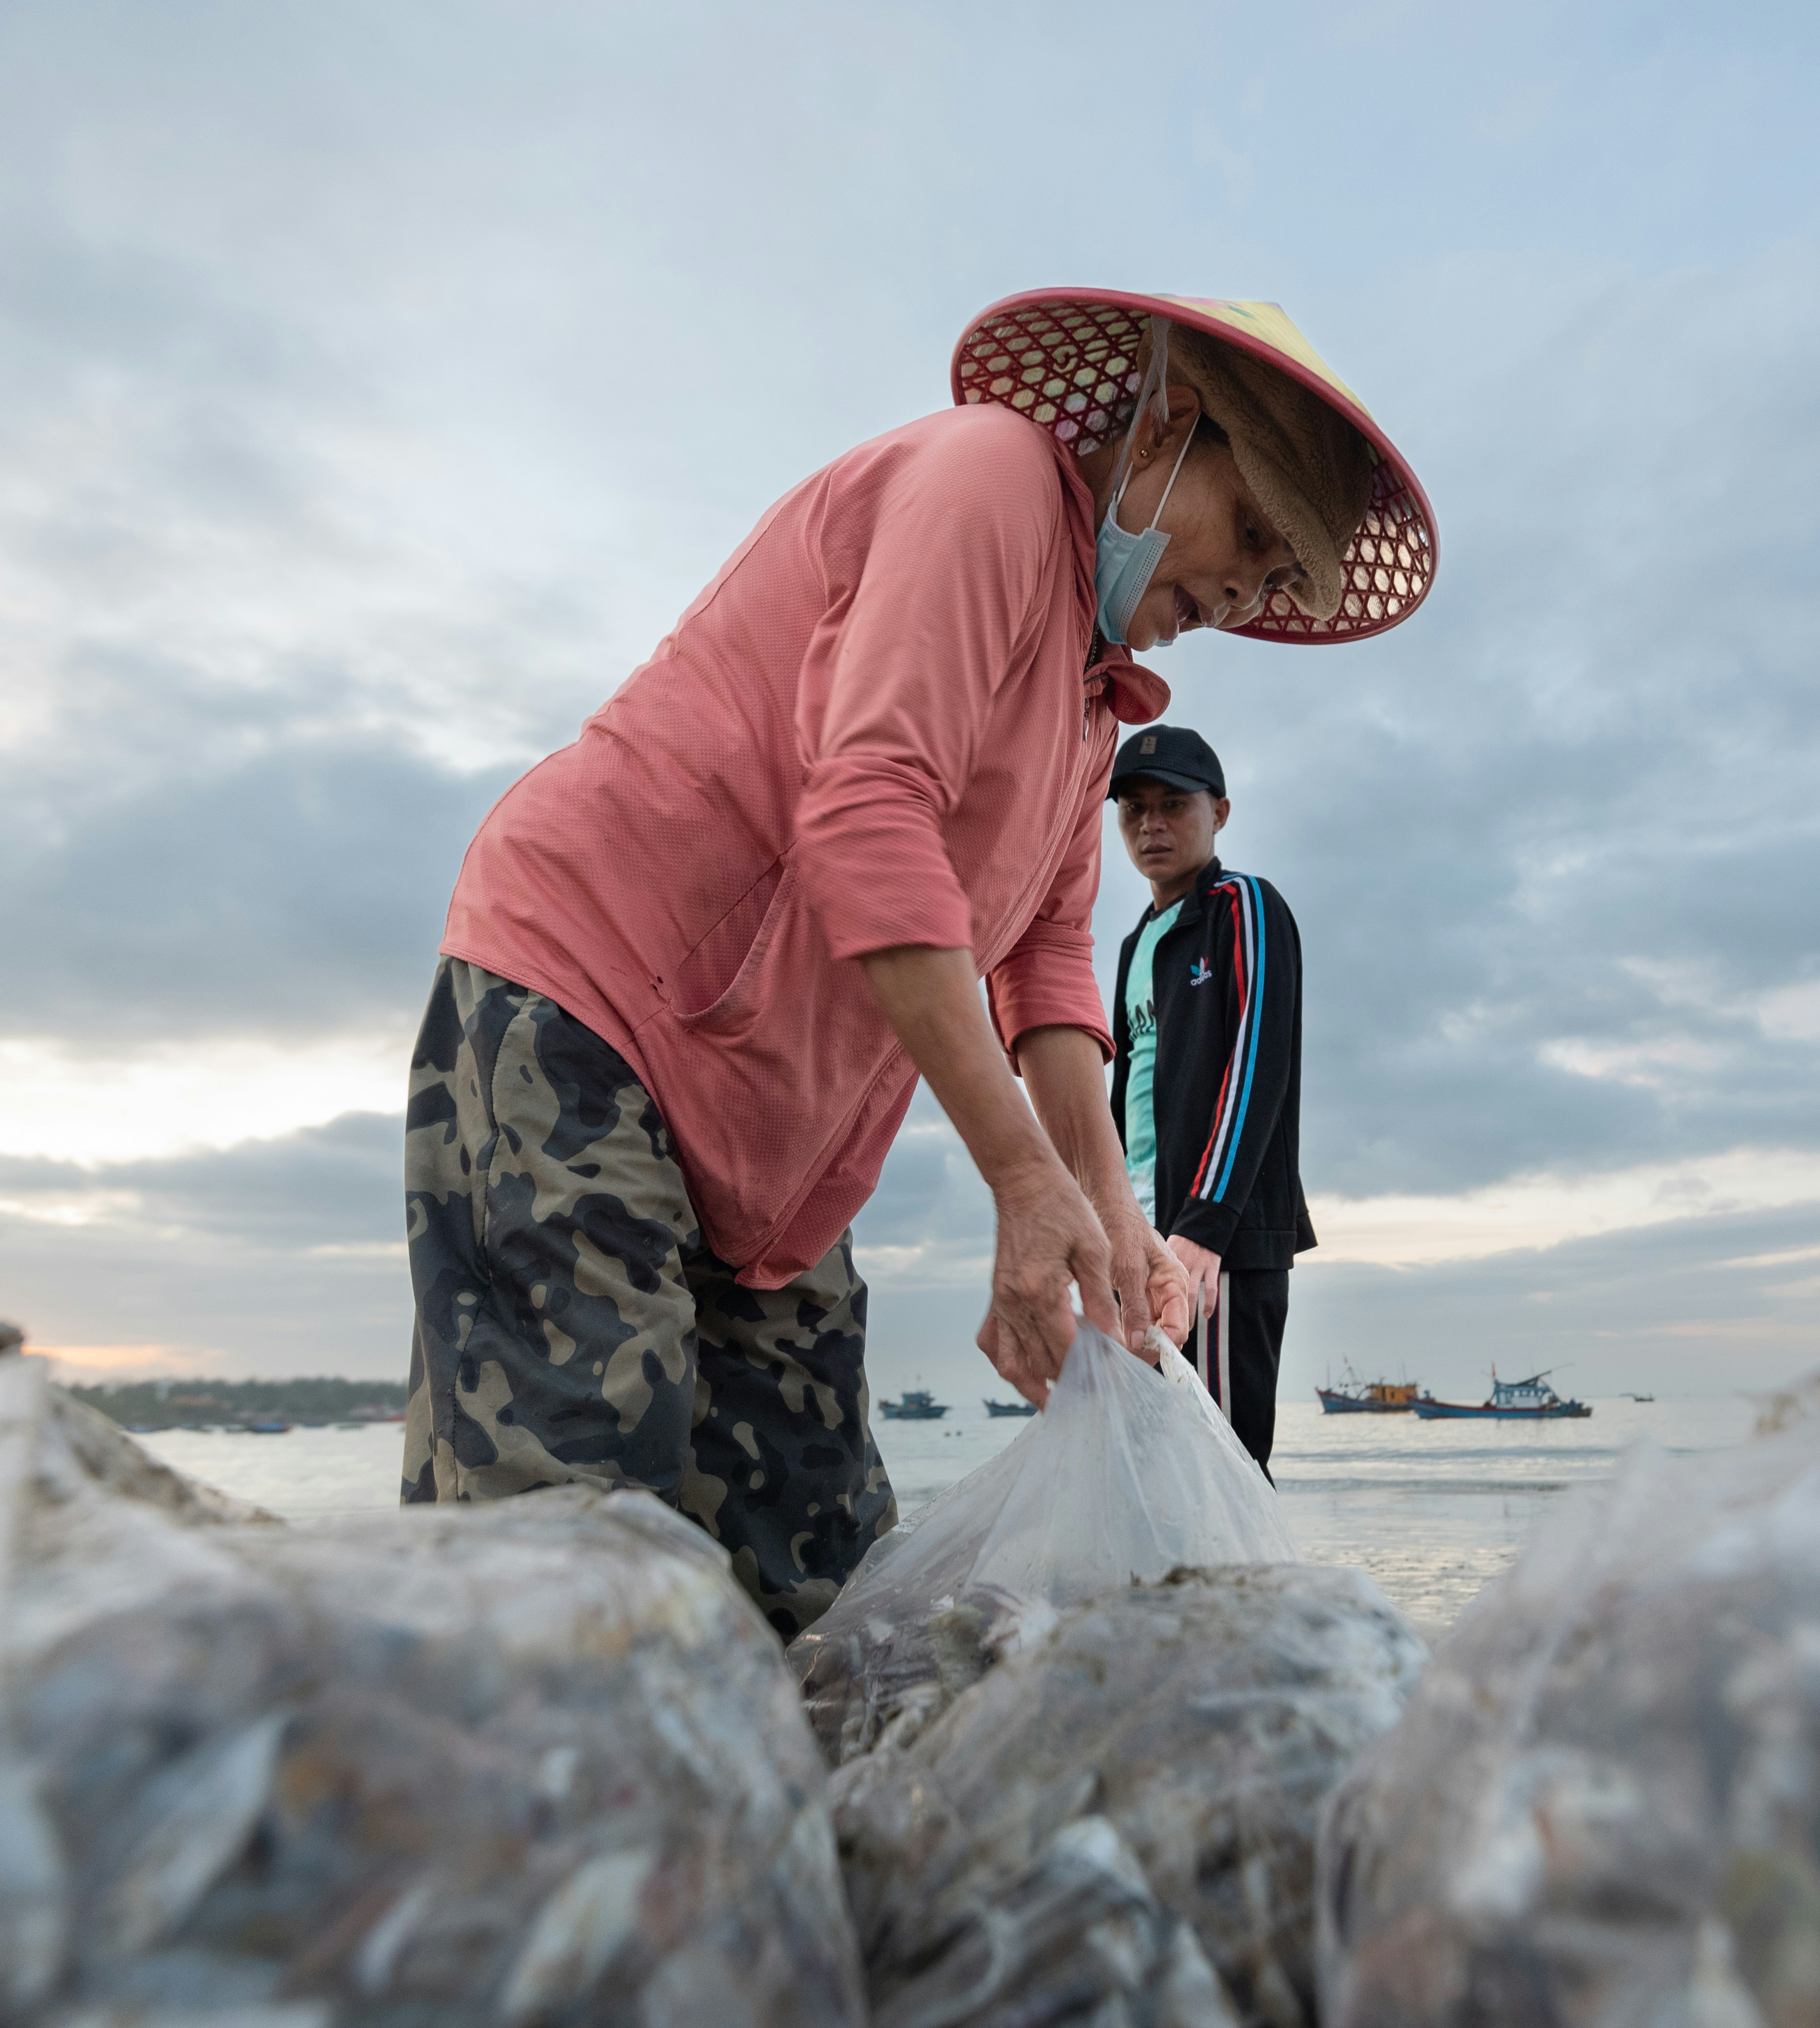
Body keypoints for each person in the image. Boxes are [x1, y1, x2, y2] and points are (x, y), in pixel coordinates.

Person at [399, 288, 1439, 1634]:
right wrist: (1018, 1176)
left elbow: (1051, 972)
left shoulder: (1088, 702)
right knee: (566, 1555)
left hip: (773, 1157)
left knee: (820, 1582)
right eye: (1246, 536)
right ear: (1170, 426)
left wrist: (1107, 1218)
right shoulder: (989, 479)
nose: (1238, 595)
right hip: (588, 1016)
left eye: (1268, 584)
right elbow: (866, 808)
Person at [1109, 725, 1310, 1473]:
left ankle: (1249, 1596)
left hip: (1215, 1241)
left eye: (1172, 805)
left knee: (1221, 1467)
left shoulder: (1243, 907)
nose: (1151, 825)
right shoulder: (1137, 945)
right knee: (1148, 1468)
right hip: (1142, 1233)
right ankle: (1170, 1599)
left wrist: (1205, 1230)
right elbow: (1123, 1093)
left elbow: (1259, 1061)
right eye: (1133, 810)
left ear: (1219, 812)